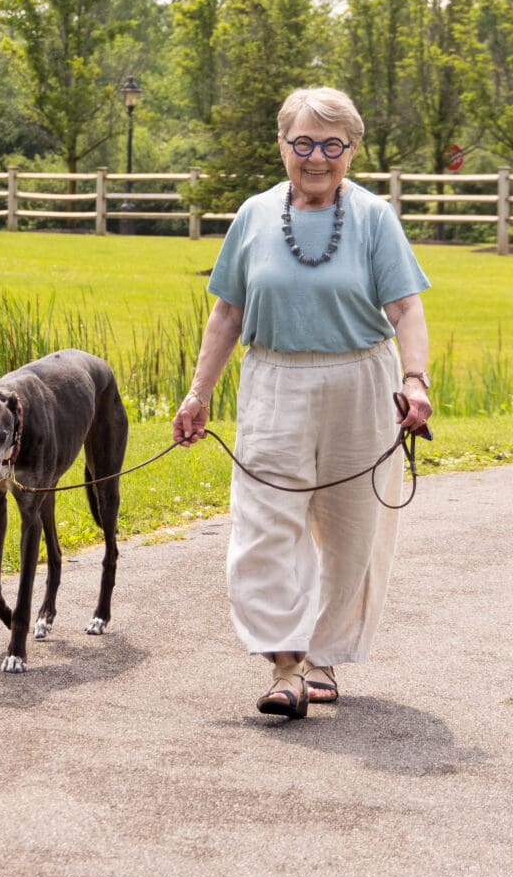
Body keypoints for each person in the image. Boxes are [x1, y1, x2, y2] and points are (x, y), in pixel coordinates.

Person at [171, 85, 433, 719]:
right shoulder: (254, 215)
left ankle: (325, 655)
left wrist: (417, 379)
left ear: (351, 150)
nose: (318, 157)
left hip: (361, 381)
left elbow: (405, 307)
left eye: (333, 144)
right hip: (274, 380)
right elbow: (227, 310)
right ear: (283, 145)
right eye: (305, 143)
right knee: (266, 521)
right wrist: (198, 392)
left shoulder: (374, 217)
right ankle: (285, 663)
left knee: (351, 528)